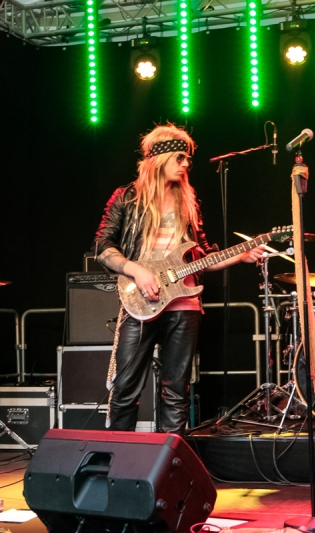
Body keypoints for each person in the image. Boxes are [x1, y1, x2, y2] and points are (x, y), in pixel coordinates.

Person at [93, 123, 264, 434]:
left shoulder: (188, 201)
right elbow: (102, 247)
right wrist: (136, 270)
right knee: (126, 387)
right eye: (180, 158)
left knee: (176, 391)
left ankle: (171, 456)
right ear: (159, 159)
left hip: (184, 304)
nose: (186, 164)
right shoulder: (127, 197)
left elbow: (200, 259)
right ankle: (120, 454)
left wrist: (241, 255)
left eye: (188, 159)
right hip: (139, 303)